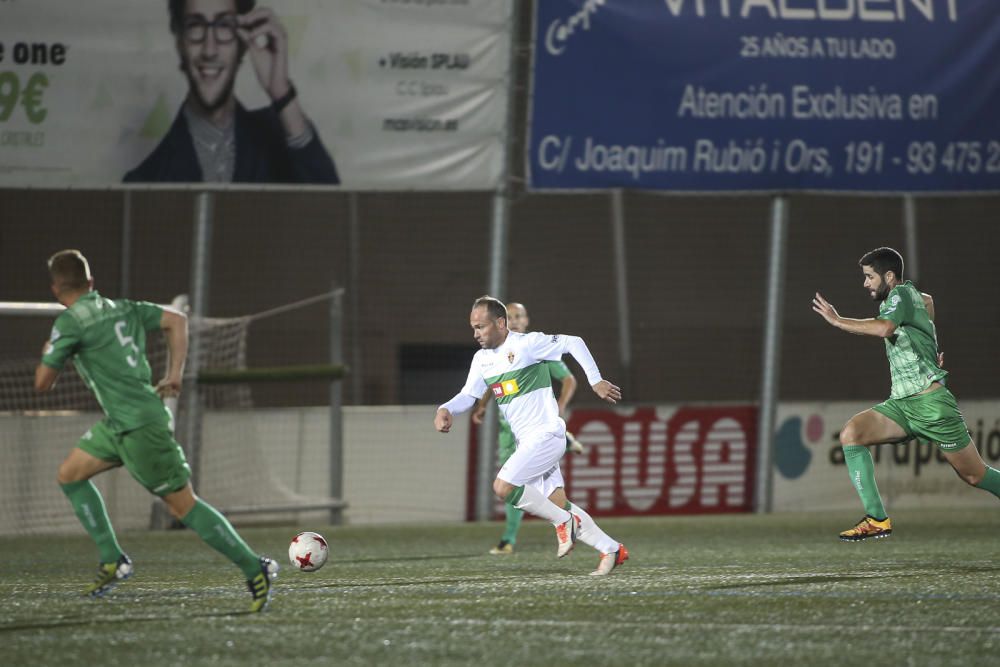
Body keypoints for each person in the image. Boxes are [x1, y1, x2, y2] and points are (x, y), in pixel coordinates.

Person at [35, 250, 278, 612]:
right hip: (120, 422)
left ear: (56, 289)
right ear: (90, 283)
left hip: (140, 427)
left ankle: (252, 567)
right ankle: (113, 559)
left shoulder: (69, 324)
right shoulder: (123, 307)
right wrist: (175, 373)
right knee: (70, 475)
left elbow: (42, 384)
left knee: (183, 506)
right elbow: (176, 320)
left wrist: (48, 353)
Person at [812, 247, 1000, 541]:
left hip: (931, 405)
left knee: (975, 475)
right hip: (902, 405)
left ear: (889, 276)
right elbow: (929, 301)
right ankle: (876, 519)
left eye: (869, 277)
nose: (865, 283)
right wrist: (929, 346)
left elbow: (886, 328)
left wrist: (838, 320)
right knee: (852, 433)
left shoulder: (899, 294)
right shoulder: (909, 297)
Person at [435, 296, 629, 575]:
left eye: (481, 327)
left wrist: (595, 380)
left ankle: (563, 523)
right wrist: (446, 408)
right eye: (473, 328)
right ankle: (611, 548)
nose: (476, 334)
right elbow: (469, 394)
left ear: (500, 323)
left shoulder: (526, 344)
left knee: (503, 487)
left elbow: (574, 342)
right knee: (558, 503)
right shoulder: (482, 359)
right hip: (528, 442)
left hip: (547, 435)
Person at [124, 0, 339, 184]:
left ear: (243, 41)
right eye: (195, 26)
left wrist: (282, 94)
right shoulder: (144, 180)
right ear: (180, 41)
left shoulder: (282, 140)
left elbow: (332, 216)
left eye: (224, 26)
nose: (210, 49)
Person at [469, 302, 584, 556]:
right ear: (502, 322)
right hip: (508, 431)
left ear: (527, 320)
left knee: (511, 483)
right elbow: (492, 382)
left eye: (519, 316)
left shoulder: (533, 348)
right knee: (520, 486)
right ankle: (605, 546)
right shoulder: (494, 354)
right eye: (510, 316)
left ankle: (510, 538)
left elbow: (568, 379)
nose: (515, 320)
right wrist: (483, 405)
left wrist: (560, 407)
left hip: (536, 429)